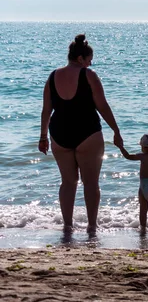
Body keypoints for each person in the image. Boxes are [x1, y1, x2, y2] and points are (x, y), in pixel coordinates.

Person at [38, 34, 123, 234]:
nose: (90, 63)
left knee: (68, 182)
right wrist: (116, 130)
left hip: (59, 133)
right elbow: (102, 105)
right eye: (89, 59)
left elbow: (46, 110)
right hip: (88, 133)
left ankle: (67, 225)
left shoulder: (52, 77)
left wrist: (43, 137)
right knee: (91, 182)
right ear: (80, 59)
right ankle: (92, 226)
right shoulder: (89, 75)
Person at [119, 133, 148, 230]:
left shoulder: (142, 156)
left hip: (144, 187)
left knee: (143, 210)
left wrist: (120, 147)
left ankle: (143, 228)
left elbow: (127, 156)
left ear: (143, 147)